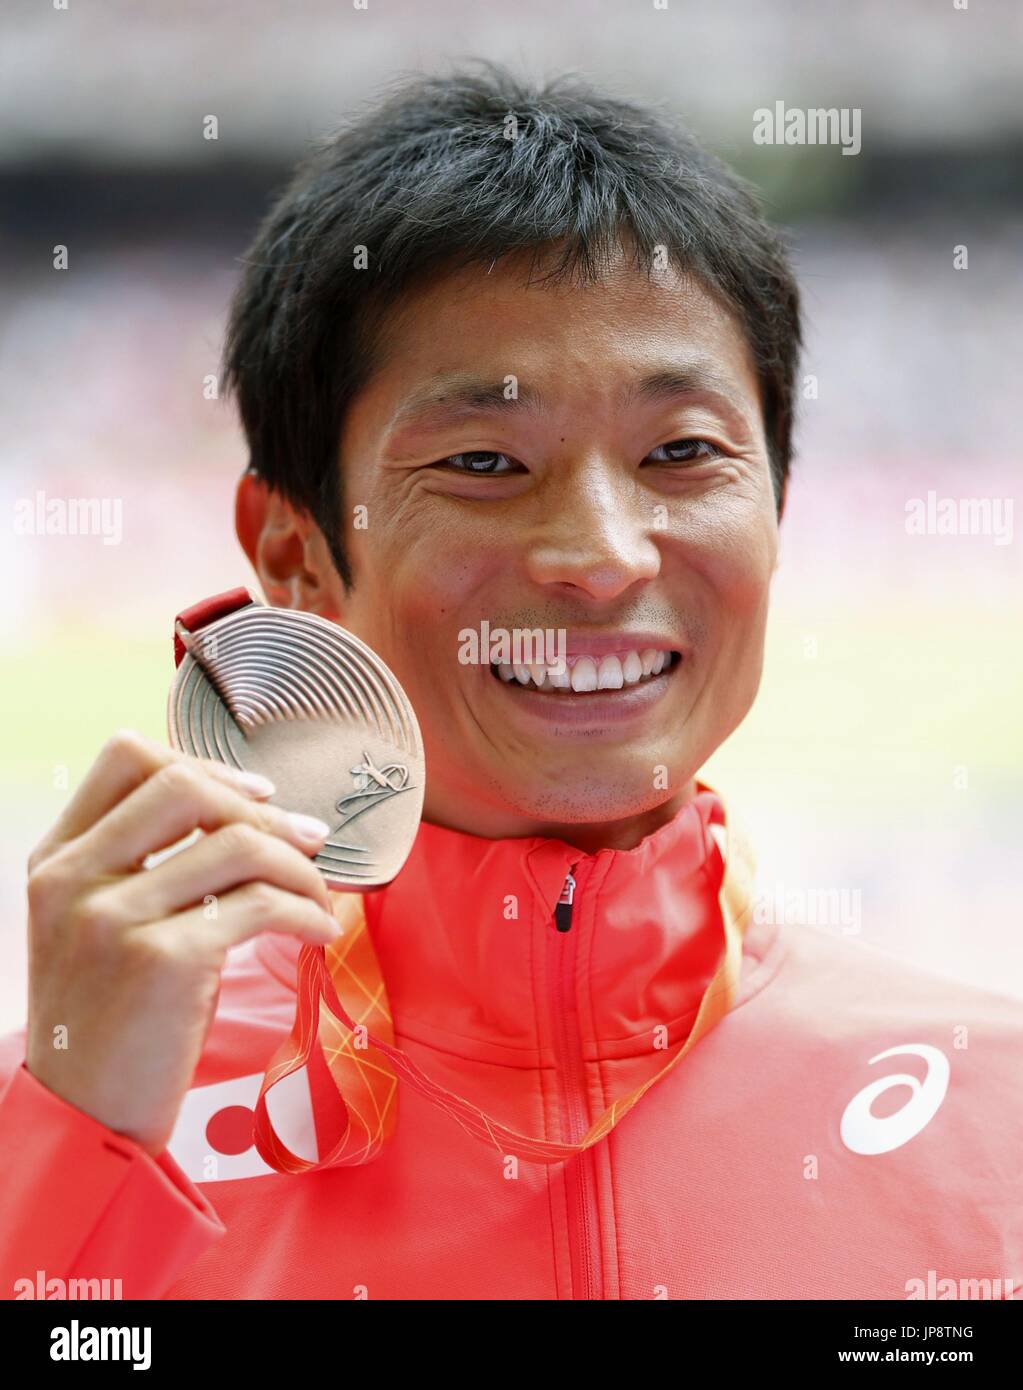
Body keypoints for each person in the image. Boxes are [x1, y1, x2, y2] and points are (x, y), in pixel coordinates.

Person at [2, 62, 1020, 1302]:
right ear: (294, 552)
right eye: (486, 459)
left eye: (683, 452)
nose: (601, 555)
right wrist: (67, 1153)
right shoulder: (88, 1112)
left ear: (777, 508)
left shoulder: (987, 1111)